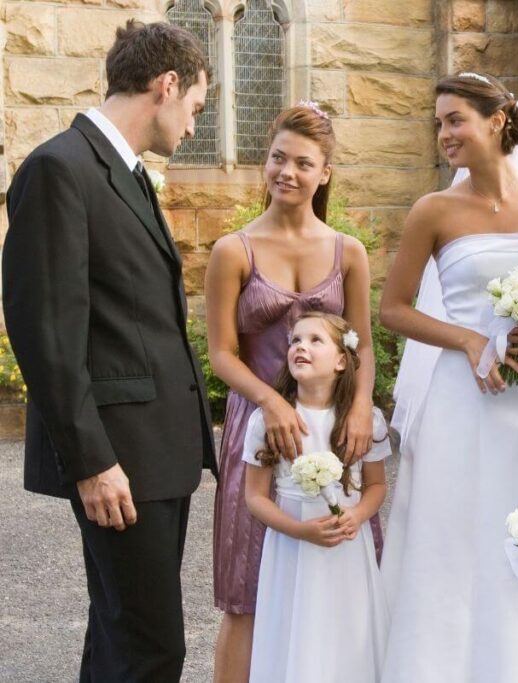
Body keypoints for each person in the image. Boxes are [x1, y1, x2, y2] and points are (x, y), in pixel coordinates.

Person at [1, 20, 214, 681]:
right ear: (166, 84)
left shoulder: (127, 173)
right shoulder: (60, 168)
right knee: (153, 648)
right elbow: (46, 330)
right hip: (119, 459)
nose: (194, 126)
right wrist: (92, 460)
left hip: (153, 453)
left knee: (123, 638)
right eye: (196, 108)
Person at [378, 72, 518, 682]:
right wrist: (470, 339)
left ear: (498, 119)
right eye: (439, 123)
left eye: (456, 119)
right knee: (452, 538)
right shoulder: (434, 210)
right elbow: (392, 309)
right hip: (459, 398)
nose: (444, 133)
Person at [204, 104, 376, 682]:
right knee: (246, 593)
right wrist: (273, 402)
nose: (288, 172)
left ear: (324, 172)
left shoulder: (348, 251)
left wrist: (358, 409)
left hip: (333, 433)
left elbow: (364, 346)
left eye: (303, 163)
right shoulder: (234, 250)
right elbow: (222, 353)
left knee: (339, 579)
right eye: (278, 158)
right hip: (261, 435)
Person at [243, 311, 389, 683]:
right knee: (295, 627)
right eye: (295, 340)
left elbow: (376, 486)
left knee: (346, 629)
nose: (300, 347)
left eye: (314, 340)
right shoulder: (268, 421)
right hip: (292, 546)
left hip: (346, 547)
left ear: (342, 361)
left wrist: (358, 515)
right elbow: (255, 497)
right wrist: (298, 529)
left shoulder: (364, 420)